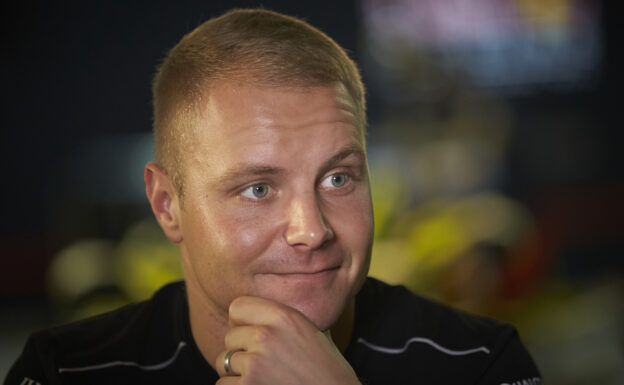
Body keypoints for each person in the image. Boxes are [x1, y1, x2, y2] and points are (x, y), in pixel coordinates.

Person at [5, 8, 541, 385]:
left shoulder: (480, 365)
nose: (312, 230)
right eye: (258, 189)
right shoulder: (64, 373)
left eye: (338, 179)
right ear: (168, 204)